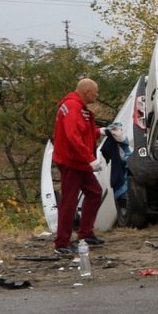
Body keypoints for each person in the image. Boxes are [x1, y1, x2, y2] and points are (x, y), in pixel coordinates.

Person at [52, 77, 103, 256]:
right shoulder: (73, 107)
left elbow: (82, 131)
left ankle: (85, 233)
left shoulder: (76, 106)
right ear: (88, 92)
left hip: (77, 161)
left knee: (95, 192)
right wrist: (90, 159)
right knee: (69, 201)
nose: (97, 95)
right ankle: (62, 243)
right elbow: (73, 136)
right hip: (72, 162)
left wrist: (101, 131)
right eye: (96, 92)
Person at [99, 121, 131, 226]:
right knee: (122, 194)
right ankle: (124, 217)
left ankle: (125, 217)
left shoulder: (120, 142)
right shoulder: (112, 142)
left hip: (123, 172)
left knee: (124, 192)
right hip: (119, 172)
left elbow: (106, 151)